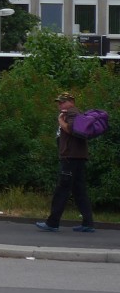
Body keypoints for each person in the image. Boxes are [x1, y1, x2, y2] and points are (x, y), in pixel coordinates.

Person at [35, 91, 95, 233]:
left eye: (62, 102)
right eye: (59, 102)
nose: (60, 104)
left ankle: (52, 223)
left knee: (62, 190)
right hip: (77, 157)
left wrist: (61, 121)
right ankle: (88, 223)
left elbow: (72, 130)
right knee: (79, 191)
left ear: (71, 101)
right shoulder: (74, 113)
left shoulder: (72, 113)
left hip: (70, 158)